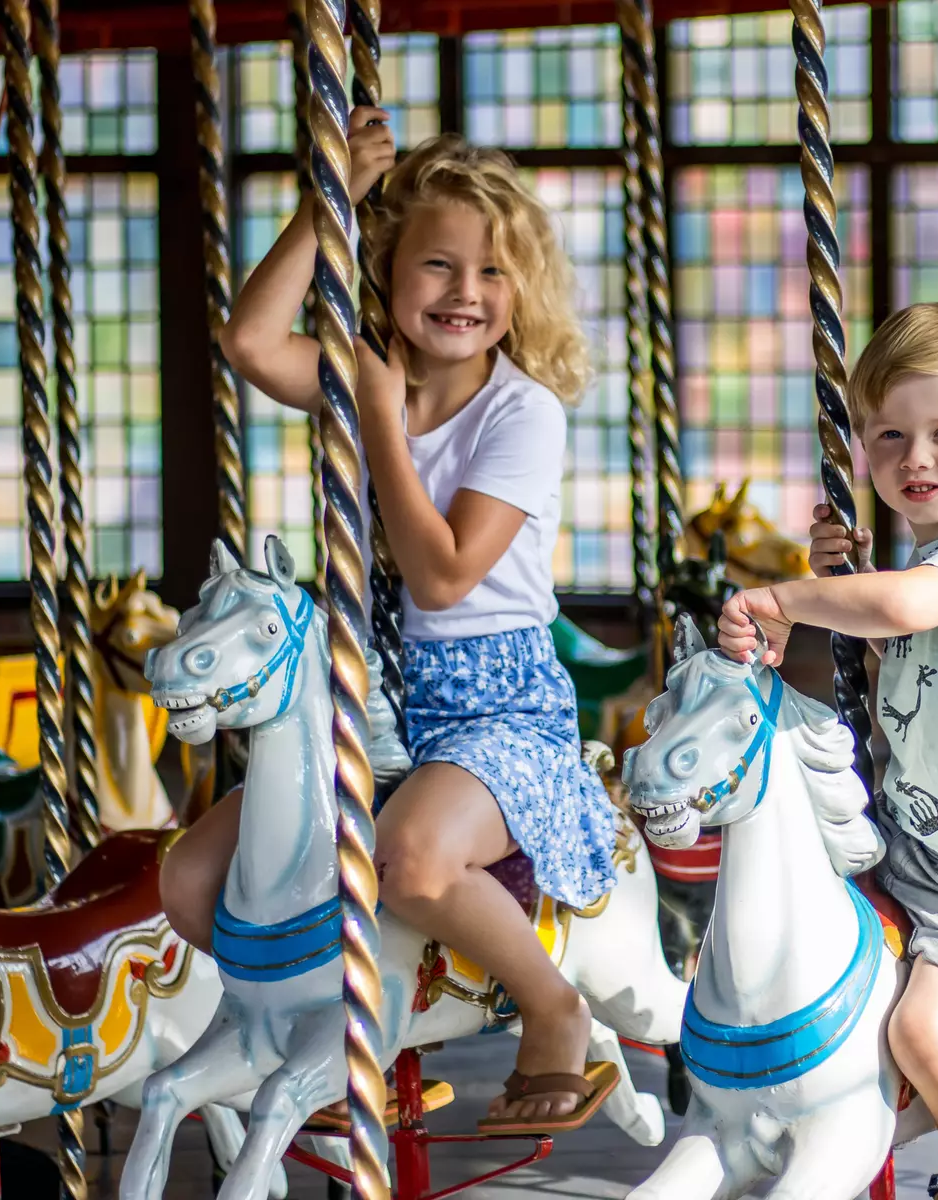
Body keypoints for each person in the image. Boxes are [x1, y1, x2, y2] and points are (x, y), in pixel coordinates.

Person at [168, 111, 622, 1132]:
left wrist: (375, 411)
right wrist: (319, 197)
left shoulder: (521, 411)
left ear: (523, 291)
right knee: (195, 879)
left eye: (493, 274)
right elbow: (248, 341)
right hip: (376, 698)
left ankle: (553, 1009)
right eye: (438, 266)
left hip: (497, 707)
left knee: (411, 858)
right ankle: (321, 1033)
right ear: (386, 267)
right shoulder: (372, 372)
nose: (465, 293)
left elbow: (445, 574)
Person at [715, 303, 938, 1200]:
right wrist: (842, 587)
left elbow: (909, 609)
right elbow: (905, 661)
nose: (912, 457)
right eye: (888, 434)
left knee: (921, 1027)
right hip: (907, 842)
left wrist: (789, 598)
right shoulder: (933, 554)